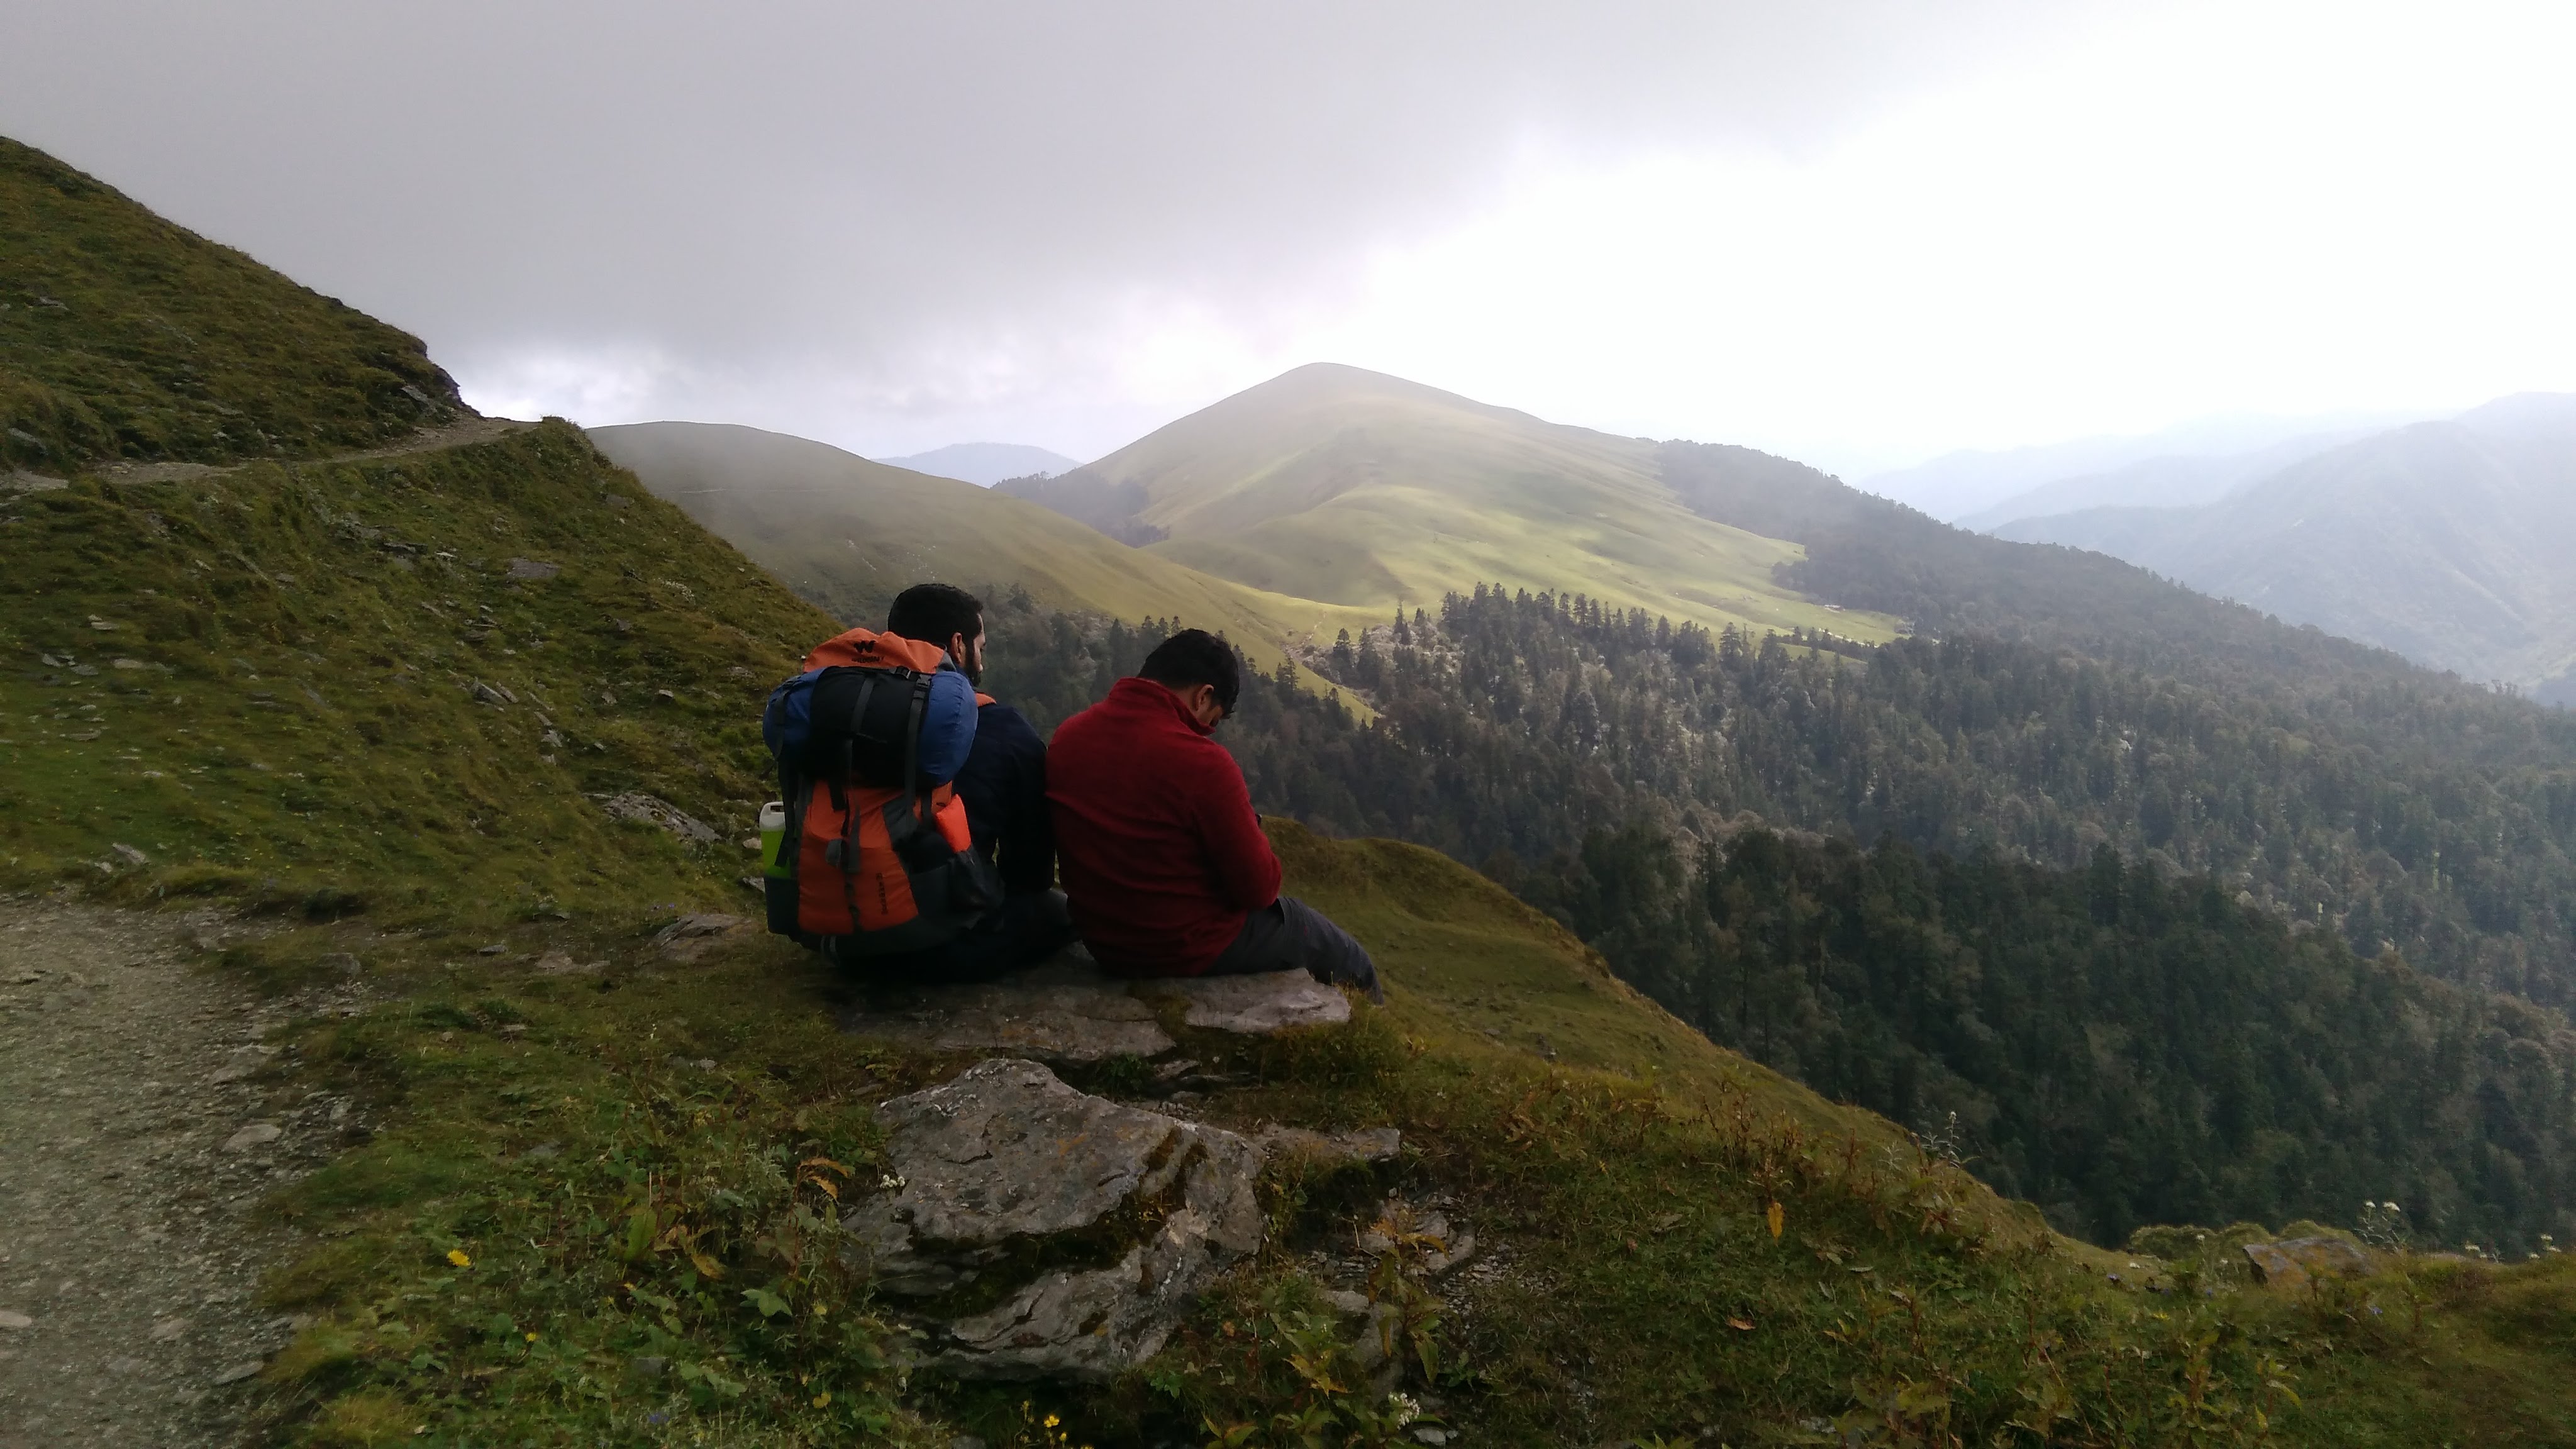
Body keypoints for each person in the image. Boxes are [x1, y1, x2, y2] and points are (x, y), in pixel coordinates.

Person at [1047, 628, 1382, 1000]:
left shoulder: (1067, 737)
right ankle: (1373, 1049)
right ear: (1204, 696)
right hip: (1183, 948)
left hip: (1103, 944)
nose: (1207, 733)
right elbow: (1259, 889)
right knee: (1353, 961)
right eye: (1213, 721)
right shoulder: (1203, 764)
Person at [869, 582, 1074, 980]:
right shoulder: (1002, 727)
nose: (982, 657)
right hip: (938, 947)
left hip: (835, 928)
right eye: (981, 645)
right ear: (958, 645)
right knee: (1058, 912)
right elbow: (1029, 875)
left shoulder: (851, 709)